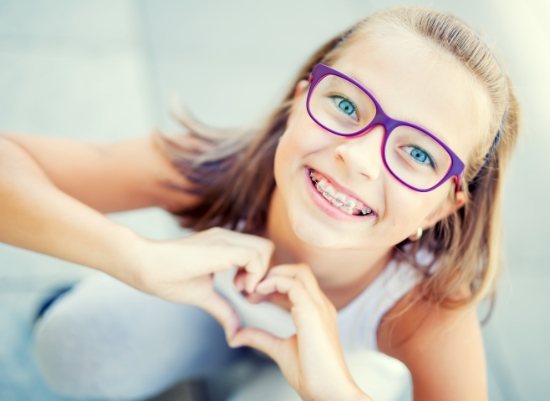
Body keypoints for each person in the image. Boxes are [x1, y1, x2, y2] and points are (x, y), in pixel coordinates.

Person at [0, 5, 520, 401]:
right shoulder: (213, 169)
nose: (359, 158)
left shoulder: (425, 310)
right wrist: (131, 255)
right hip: (206, 318)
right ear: (299, 104)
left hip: (336, 372)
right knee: (74, 344)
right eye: (345, 104)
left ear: (439, 209)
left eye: (418, 155)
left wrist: (334, 391)